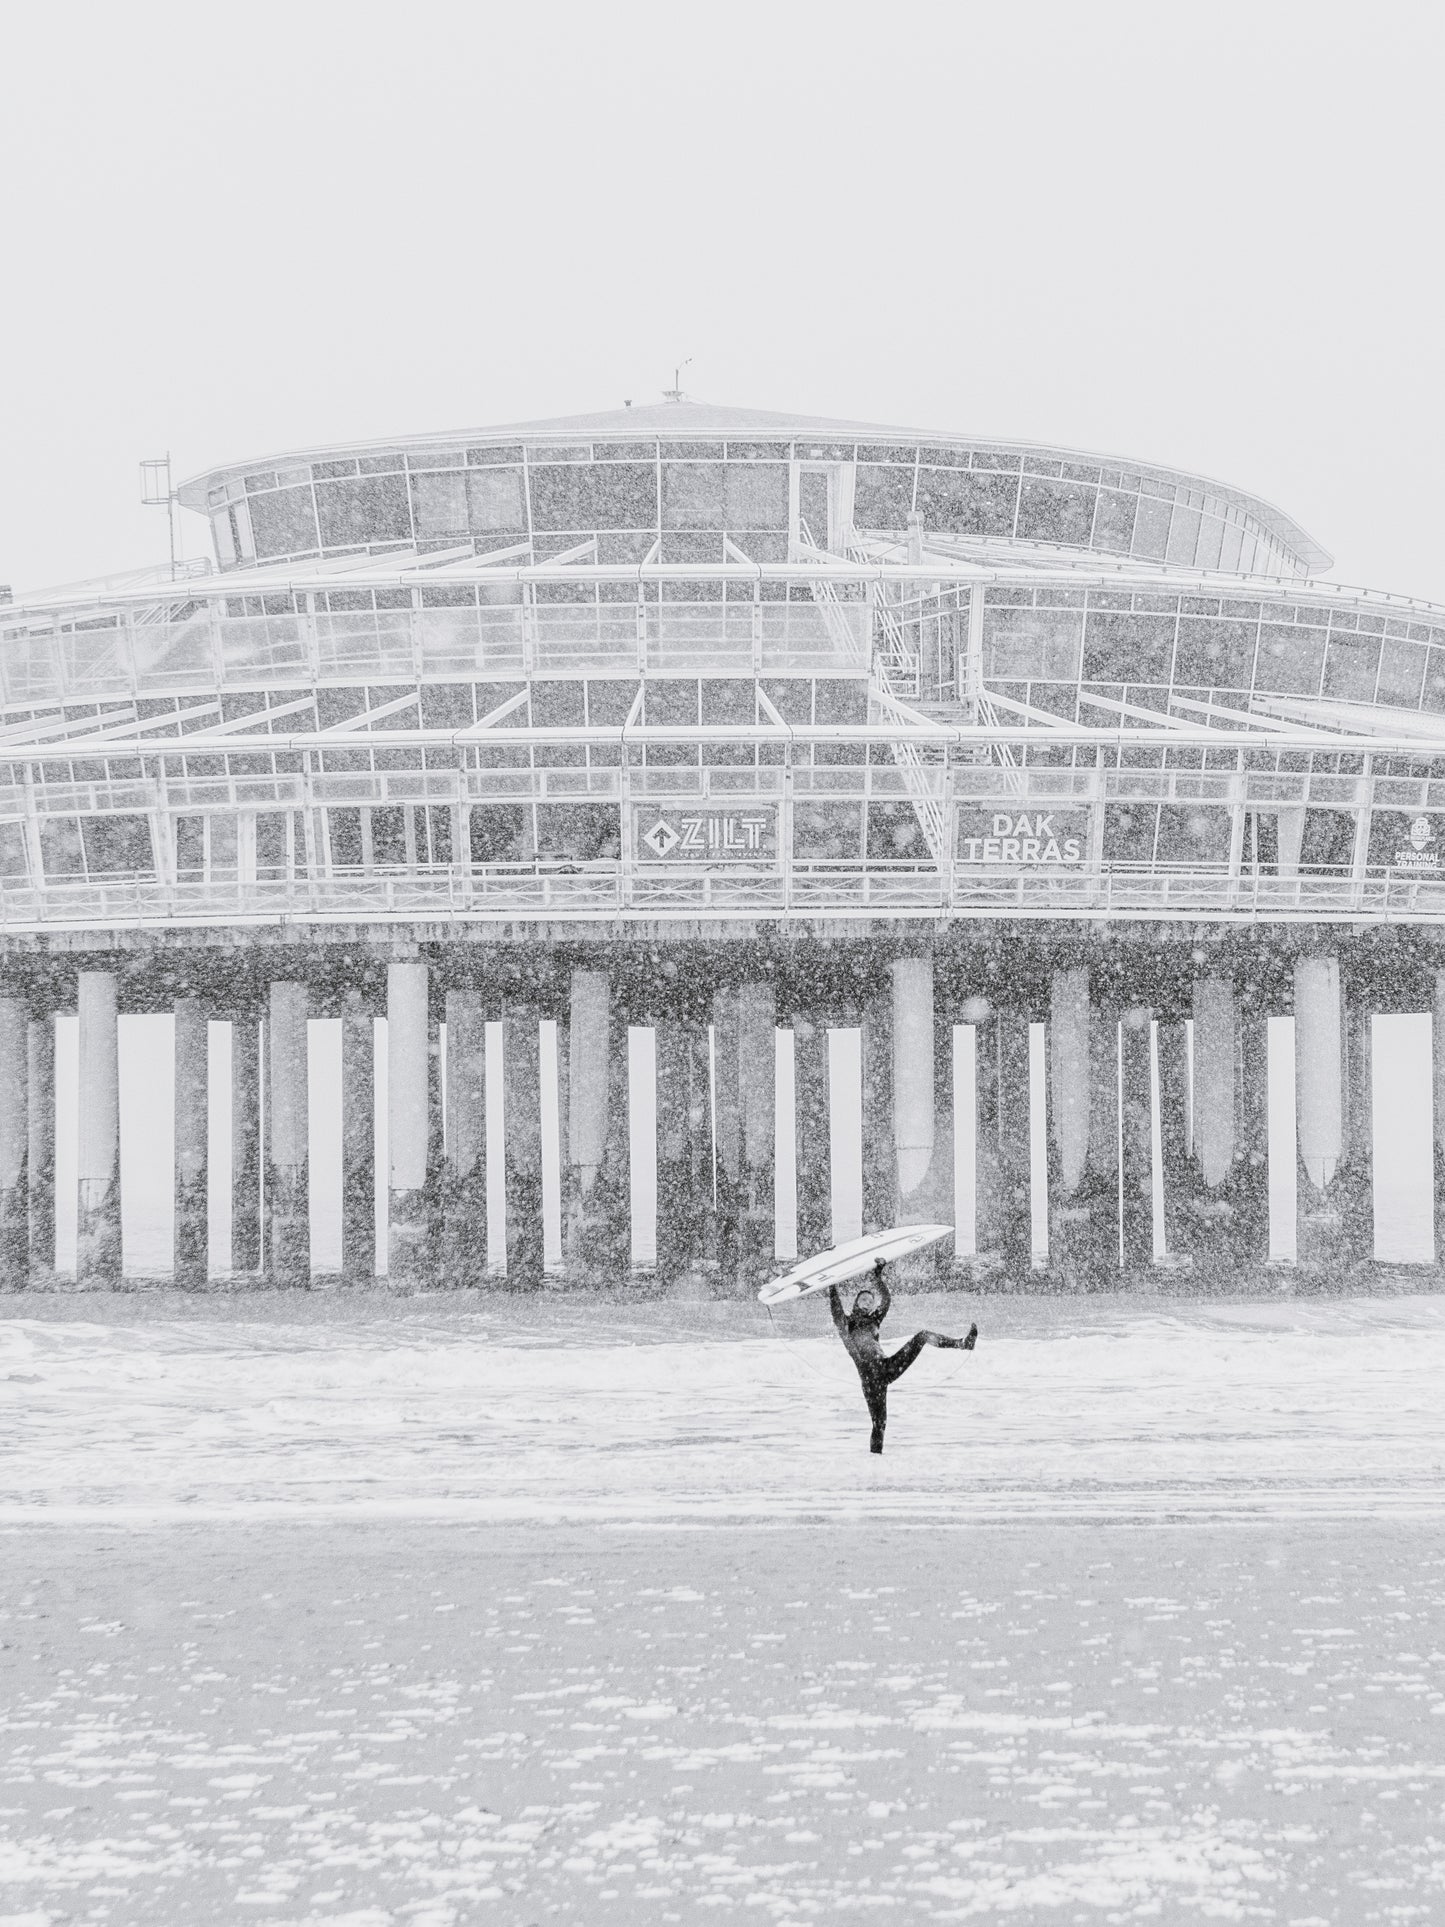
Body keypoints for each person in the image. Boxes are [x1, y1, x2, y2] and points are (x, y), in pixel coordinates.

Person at [829, 1260, 977, 1454]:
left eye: (870, 1301)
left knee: (922, 1336)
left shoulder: (875, 1320)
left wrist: (878, 1277)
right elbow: (836, 1309)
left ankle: (962, 1344)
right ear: (856, 1302)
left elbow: (886, 1300)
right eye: (863, 1299)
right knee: (879, 1425)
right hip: (870, 1379)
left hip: (887, 1367)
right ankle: (875, 1462)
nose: (867, 1302)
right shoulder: (847, 1324)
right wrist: (832, 1284)